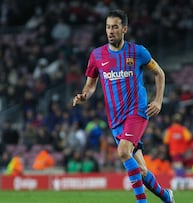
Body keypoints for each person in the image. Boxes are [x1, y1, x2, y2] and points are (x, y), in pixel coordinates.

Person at [73, 9, 174, 203]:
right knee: (141, 170)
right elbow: (91, 84)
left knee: (122, 152)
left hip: (137, 111)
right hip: (115, 118)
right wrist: (84, 95)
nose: (110, 31)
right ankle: (166, 197)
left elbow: (159, 73)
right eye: (108, 27)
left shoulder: (137, 52)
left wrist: (158, 100)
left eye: (115, 27)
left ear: (124, 29)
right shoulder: (97, 55)